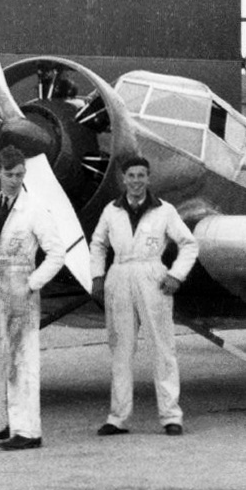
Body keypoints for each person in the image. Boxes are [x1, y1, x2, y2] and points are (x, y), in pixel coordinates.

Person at [0, 146, 66, 450]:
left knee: (21, 361)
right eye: (9, 174)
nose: (14, 180)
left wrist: (31, 283)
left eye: (20, 175)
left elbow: (56, 254)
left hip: (20, 287)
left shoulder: (35, 208)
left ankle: (27, 431)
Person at [90, 155, 198, 437]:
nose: (136, 181)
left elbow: (189, 244)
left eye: (141, 175)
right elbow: (98, 243)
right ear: (123, 179)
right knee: (121, 349)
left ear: (149, 179)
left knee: (163, 347)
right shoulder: (111, 211)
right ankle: (118, 418)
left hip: (153, 276)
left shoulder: (164, 211)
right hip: (120, 275)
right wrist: (97, 277)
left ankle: (171, 416)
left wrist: (176, 275)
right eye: (131, 176)